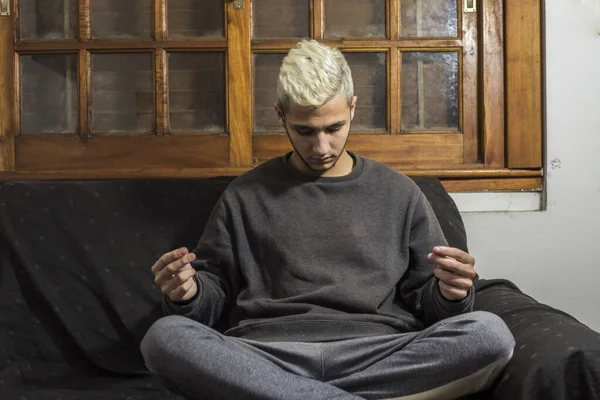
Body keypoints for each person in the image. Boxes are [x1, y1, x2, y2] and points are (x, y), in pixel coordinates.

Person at [141, 40, 515, 400]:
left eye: (333, 128)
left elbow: (427, 303)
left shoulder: (399, 192)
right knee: (165, 338)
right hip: (269, 356)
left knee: (489, 334)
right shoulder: (244, 194)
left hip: (378, 353)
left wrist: (453, 295)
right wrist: (186, 294)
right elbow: (213, 294)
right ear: (280, 116)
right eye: (305, 131)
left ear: (353, 109)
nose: (321, 147)